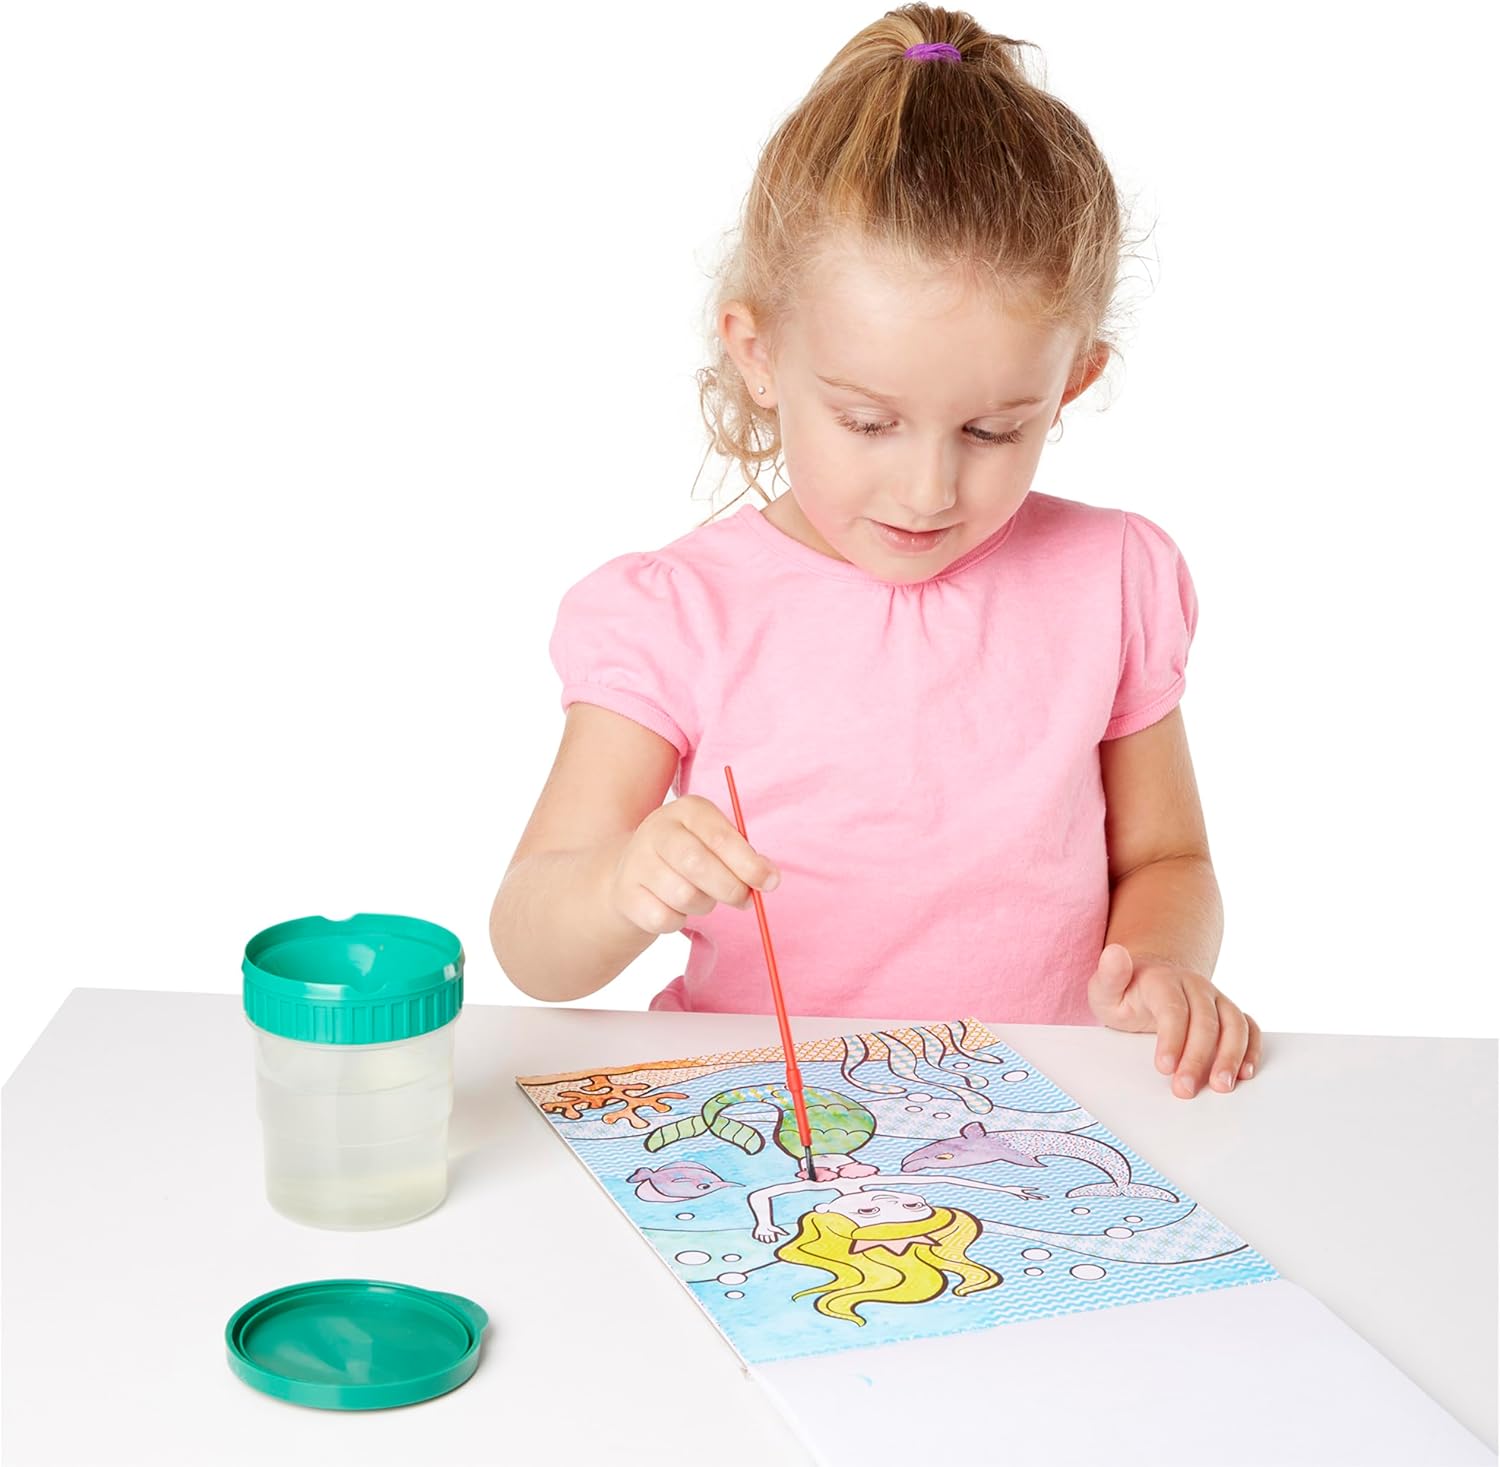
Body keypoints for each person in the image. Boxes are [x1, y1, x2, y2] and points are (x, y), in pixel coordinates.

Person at [490, 6, 1262, 1101]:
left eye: (992, 430)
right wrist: (621, 883)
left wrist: (1163, 969)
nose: (929, 489)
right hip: (761, 1118)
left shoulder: (1111, 581)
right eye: (867, 421)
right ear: (760, 354)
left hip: (1034, 1123)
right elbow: (530, 938)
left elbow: (1168, 861)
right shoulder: (680, 615)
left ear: (1072, 383)